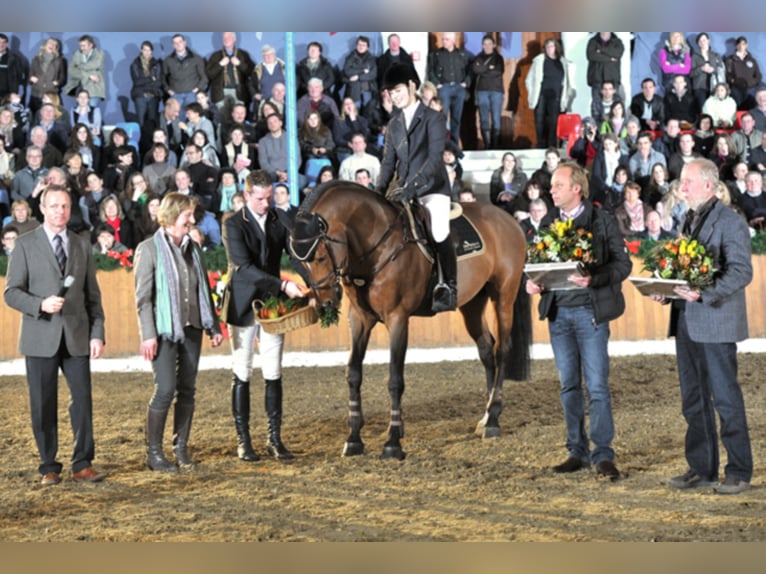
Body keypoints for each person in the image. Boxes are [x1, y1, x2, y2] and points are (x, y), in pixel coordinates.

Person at [525, 162, 631, 481]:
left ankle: (603, 454)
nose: (551, 190)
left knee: (597, 386)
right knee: (569, 385)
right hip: (558, 314)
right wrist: (532, 283)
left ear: (576, 189)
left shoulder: (601, 220)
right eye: (552, 186)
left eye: (558, 185)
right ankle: (577, 450)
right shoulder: (547, 222)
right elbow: (536, 263)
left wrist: (595, 278)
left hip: (590, 312)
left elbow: (622, 265)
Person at [657, 158, 753, 495]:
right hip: (687, 320)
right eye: (682, 182)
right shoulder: (688, 219)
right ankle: (703, 468)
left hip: (715, 320)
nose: (682, 188)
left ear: (709, 185)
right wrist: (667, 291)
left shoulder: (731, 222)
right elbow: (686, 271)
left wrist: (705, 293)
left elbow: (742, 272)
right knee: (693, 399)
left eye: (688, 182)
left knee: (725, 399)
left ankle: (739, 471)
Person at [4, 185, 107, 486]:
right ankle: (49, 465)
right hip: (40, 336)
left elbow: (93, 297)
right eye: (54, 206)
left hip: (76, 336)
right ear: (43, 209)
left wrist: (97, 334)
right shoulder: (24, 245)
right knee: (42, 403)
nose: (60, 211)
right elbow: (11, 293)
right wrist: (40, 305)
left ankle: (83, 463)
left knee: (83, 401)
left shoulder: (82, 244)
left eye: (65, 206)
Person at [133, 192, 223, 471]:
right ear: (172, 217)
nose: (192, 220)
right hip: (163, 330)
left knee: (187, 389)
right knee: (165, 389)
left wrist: (214, 326)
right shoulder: (148, 249)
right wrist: (148, 334)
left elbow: (203, 290)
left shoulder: (193, 248)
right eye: (187, 215)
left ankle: (180, 448)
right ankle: (154, 453)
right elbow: (143, 298)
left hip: (193, 327)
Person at [221, 170, 306, 461]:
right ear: (247, 196)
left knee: (273, 371)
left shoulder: (277, 220)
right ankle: (243, 439)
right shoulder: (233, 224)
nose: (266, 203)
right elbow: (243, 267)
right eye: (260, 198)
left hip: (272, 307)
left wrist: (312, 282)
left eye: (270, 197)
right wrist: (283, 284)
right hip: (244, 304)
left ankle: (274, 437)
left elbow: (294, 255)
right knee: (242, 370)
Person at [377, 63, 456, 312]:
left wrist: (413, 186)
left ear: (412, 85)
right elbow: (388, 163)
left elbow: (434, 159)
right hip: (401, 191)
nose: (394, 96)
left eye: (398, 90)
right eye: (390, 93)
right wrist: (377, 192)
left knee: (439, 230)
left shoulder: (433, 118)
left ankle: (448, 286)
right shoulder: (394, 125)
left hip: (432, 188)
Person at [526, 37, 573, 150]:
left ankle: (552, 145)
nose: (549, 49)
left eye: (551, 46)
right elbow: (529, 79)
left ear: (556, 47)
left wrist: (567, 94)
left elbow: (567, 81)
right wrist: (532, 92)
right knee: (539, 120)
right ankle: (540, 144)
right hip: (541, 94)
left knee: (554, 122)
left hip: (556, 95)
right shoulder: (539, 60)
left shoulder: (563, 62)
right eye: (547, 47)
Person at [427, 32, 471, 146]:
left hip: (458, 88)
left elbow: (469, 70)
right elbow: (430, 70)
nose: (444, 41)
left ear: (453, 40)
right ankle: (442, 144)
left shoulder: (462, 54)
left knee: (456, 119)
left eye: (447, 39)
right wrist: (437, 84)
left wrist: (466, 83)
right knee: (442, 118)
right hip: (444, 88)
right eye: (443, 39)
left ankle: (454, 146)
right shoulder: (436, 54)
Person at [205, 32, 254, 111]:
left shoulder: (243, 54)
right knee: (222, 118)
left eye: (228, 37)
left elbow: (251, 72)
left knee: (238, 118)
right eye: (224, 37)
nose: (226, 39)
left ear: (234, 39)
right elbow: (209, 74)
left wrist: (240, 64)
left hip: (240, 93)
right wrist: (220, 65)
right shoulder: (215, 55)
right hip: (220, 94)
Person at [472, 34, 505, 150]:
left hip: (496, 91)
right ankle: (487, 144)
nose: (487, 46)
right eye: (485, 44)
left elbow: (498, 72)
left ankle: (495, 146)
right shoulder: (478, 58)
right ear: (482, 45)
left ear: (494, 45)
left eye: (489, 44)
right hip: (482, 91)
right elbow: (476, 70)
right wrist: (489, 68)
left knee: (496, 118)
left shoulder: (499, 58)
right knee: (484, 118)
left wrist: (483, 70)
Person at [162, 35, 207, 109]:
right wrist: (168, 90)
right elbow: (163, 77)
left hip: (191, 94)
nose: (178, 44)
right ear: (173, 45)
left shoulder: (196, 58)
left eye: (180, 42)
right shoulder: (168, 60)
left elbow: (204, 77)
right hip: (176, 95)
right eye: (175, 43)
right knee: (176, 118)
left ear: (185, 42)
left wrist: (196, 89)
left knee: (192, 118)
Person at [130, 41, 164, 137]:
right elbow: (137, 81)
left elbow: (158, 81)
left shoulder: (157, 64)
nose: (147, 52)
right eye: (145, 49)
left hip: (153, 95)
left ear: (152, 51)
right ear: (141, 50)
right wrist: (150, 78)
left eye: (149, 50)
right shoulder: (135, 64)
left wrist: (147, 81)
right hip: (140, 95)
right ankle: (141, 144)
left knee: (152, 121)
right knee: (141, 121)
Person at [63, 35, 105, 108]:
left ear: (91, 45)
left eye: (84, 46)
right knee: (80, 112)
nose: (81, 48)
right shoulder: (76, 54)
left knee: (92, 111)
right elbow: (71, 70)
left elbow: (94, 64)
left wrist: (78, 67)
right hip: (80, 88)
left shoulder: (99, 54)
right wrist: (89, 76)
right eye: (80, 45)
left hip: (94, 88)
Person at [27, 38, 66, 117]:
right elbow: (30, 76)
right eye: (50, 43)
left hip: (51, 94)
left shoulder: (60, 60)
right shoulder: (36, 59)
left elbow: (62, 78)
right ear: (44, 45)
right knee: (34, 119)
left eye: (54, 44)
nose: (52, 45)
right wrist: (31, 79)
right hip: (36, 94)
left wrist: (56, 83)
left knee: (51, 118)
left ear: (56, 48)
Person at [690, 32, 726, 112]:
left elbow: (721, 71)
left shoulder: (716, 55)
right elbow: (690, 73)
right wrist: (701, 69)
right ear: (698, 44)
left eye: (704, 40)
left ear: (708, 40)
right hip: (699, 88)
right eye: (700, 41)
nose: (702, 42)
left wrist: (713, 70)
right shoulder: (694, 56)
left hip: (715, 88)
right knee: (703, 111)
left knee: (715, 111)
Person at [586, 32, 625, 103]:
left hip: (613, 79)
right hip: (597, 78)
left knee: (615, 105)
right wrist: (609, 59)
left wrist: (600, 50)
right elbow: (591, 55)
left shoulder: (617, 41)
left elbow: (617, 53)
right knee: (597, 104)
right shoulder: (593, 41)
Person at [725, 36, 762, 110]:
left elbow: (758, 75)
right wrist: (734, 81)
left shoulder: (752, 60)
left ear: (746, 45)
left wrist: (752, 82)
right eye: (739, 44)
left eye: (743, 44)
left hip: (751, 88)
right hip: (736, 89)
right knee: (738, 109)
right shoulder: (730, 59)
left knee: (752, 109)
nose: (741, 46)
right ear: (736, 45)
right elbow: (728, 74)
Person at [343, 35, 378, 113]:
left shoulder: (371, 59)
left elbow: (373, 74)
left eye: (363, 45)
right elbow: (347, 71)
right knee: (355, 112)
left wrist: (358, 77)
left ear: (367, 47)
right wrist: (362, 70)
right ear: (356, 45)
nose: (361, 46)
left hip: (368, 90)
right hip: (354, 90)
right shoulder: (350, 57)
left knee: (368, 112)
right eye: (359, 44)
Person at [252, 45, 285, 112]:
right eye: (266, 55)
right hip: (265, 102)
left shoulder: (284, 67)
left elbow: (293, 82)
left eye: (271, 54)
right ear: (262, 56)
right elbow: (250, 84)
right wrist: (254, 94)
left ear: (274, 54)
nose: (269, 57)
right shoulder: (257, 69)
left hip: (282, 102)